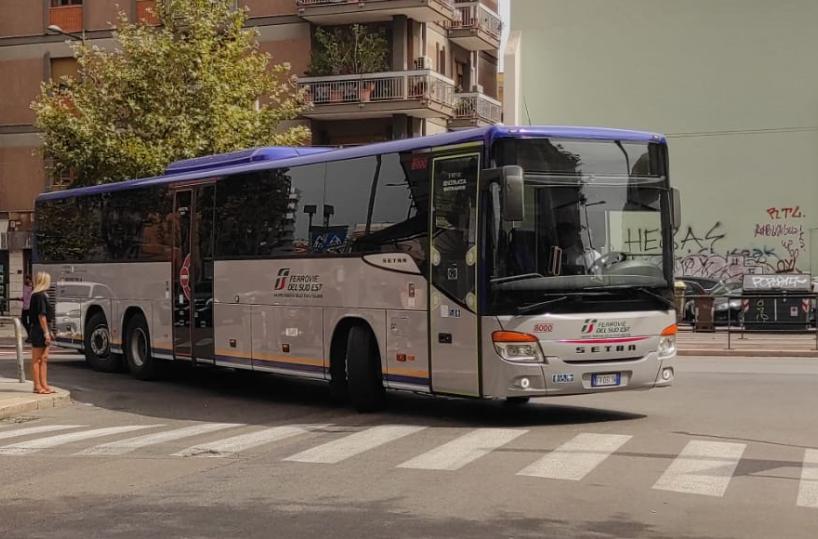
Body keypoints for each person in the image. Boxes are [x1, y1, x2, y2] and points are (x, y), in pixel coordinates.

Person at [29, 272, 55, 395]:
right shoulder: (39, 296)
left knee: (44, 359)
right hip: (39, 329)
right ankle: (37, 386)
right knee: (37, 359)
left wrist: (49, 331)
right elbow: (41, 315)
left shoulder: (43, 295)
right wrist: (46, 333)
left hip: (44, 328)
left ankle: (44, 384)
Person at [20, 276, 32, 343]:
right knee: (24, 321)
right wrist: (21, 298)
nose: (27, 280)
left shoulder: (32, 288)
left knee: (30, 323)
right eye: (26, 279)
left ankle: (30, 337)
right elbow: (25, 296)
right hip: (25, 307)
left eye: (28, 279)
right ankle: (29, 335)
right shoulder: (24, 287)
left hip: (30, 308)